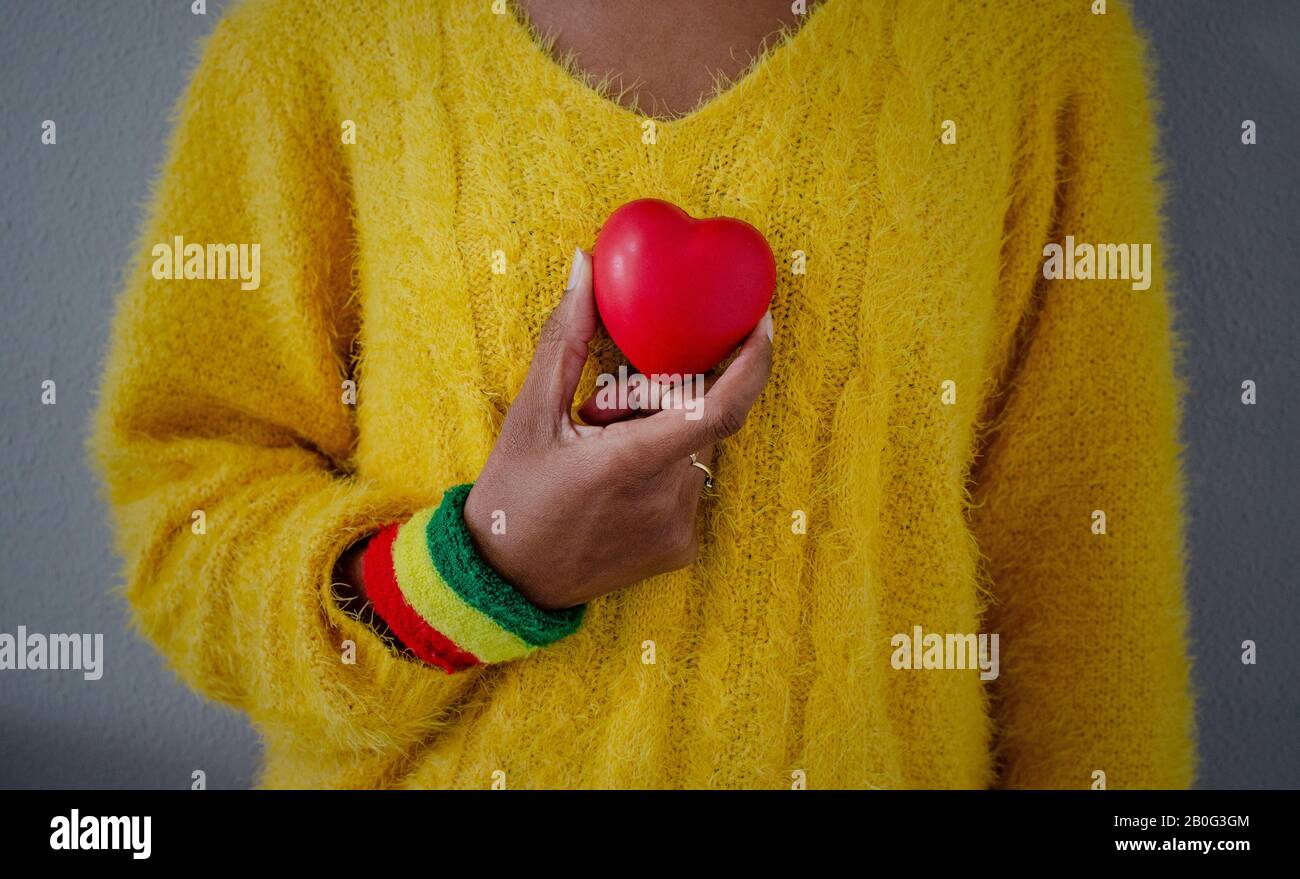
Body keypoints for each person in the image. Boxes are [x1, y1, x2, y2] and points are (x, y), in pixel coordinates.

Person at [91, 0, 1196, 788]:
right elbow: (181, 511)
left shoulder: (1033, 34)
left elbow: (1089, 568)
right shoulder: (317, 34)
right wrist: (476, 569)